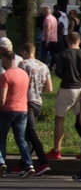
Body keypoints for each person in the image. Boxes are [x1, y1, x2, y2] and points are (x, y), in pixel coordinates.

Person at [49, 32, 81, 159]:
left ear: (67, 40)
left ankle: (57, 150)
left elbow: (59, 72)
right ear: (80, 41)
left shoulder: (64, 54)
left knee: (60, 119)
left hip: (67, 88)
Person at [18, 42, 52, 176]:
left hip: (27, 101)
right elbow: (49, 88)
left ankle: (43, 162)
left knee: (31, 132)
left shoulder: (23, 64)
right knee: (28, 134)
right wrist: (38, 90)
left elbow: (20, 82)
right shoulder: (44, 66)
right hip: (38, 102)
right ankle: (23, 164)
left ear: (25, 51)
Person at [0, 49, 33, 178]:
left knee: (1, 138)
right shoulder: (24, 74)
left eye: (2, 60)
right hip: (22, 110)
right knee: (21, 139)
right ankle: (29, 164)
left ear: (6, 60)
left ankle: (1, 162)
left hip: (7, 110)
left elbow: (2, 98)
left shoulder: (5, 76)